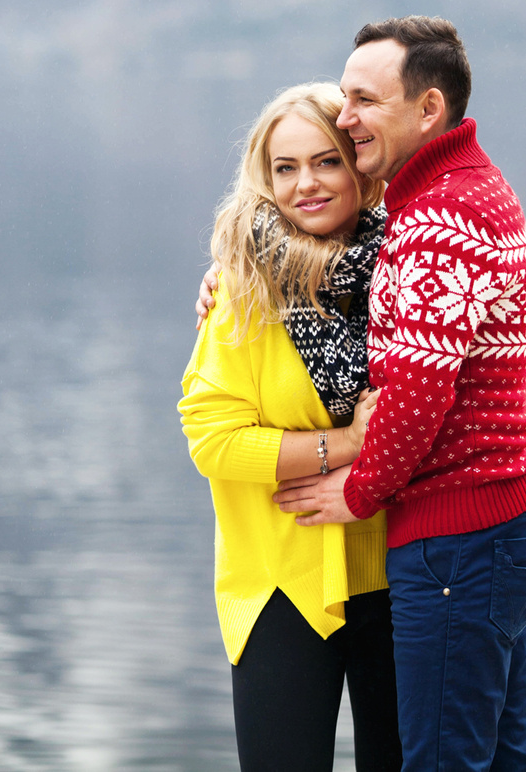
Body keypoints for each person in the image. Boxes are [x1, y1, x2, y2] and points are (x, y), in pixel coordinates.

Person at [273, 16, 526, 772]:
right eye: (344, 97)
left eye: (364, 99)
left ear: (427, 110)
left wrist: (357, 490)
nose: (345, 117)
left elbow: (420, 391)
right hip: (502, 518)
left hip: (459, 538)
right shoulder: (463, 188)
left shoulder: (437, 216)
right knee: (501, 757)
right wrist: (227, 273)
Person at [178, 82, 404, 772]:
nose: (306, 184)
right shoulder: (244, 287)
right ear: (265, 176)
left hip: (406, 569)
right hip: (280, 578)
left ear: (360, 166)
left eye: (326, 161)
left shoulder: (416, 267)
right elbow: (213, 441)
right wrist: (348, 446)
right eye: (285, 167)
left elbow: (502, 352)